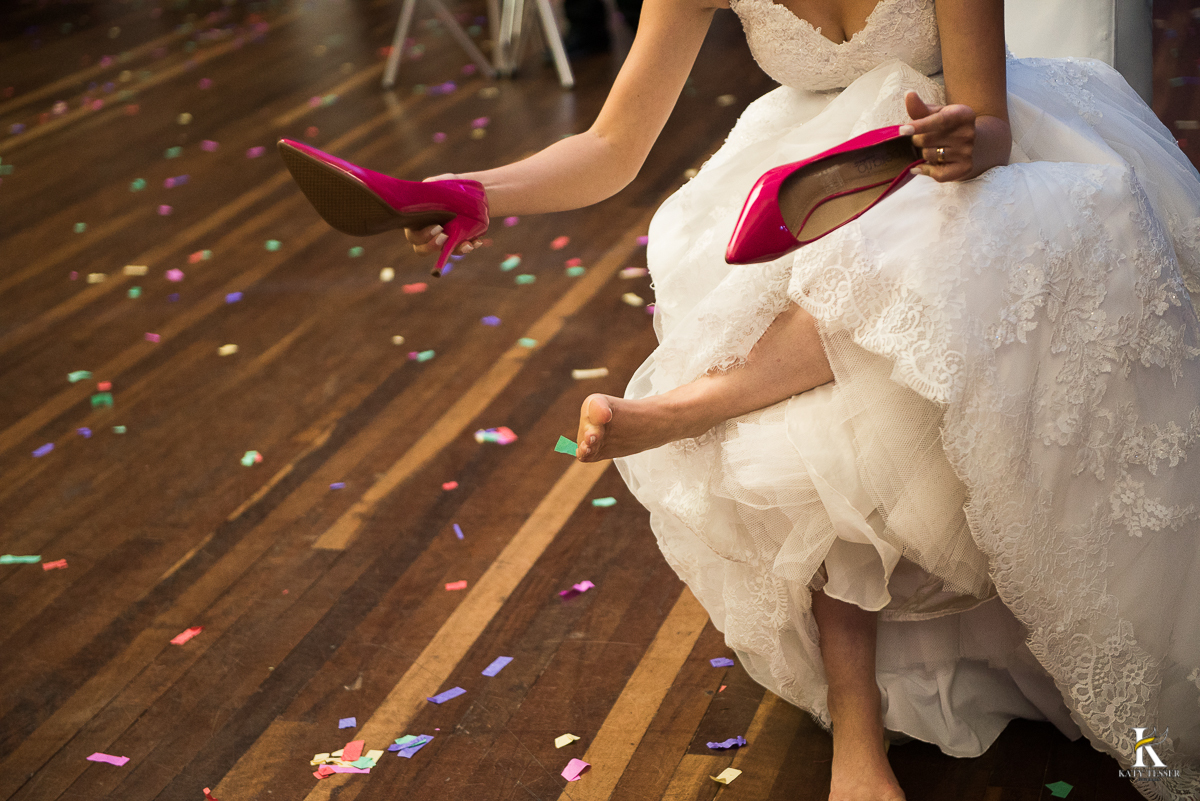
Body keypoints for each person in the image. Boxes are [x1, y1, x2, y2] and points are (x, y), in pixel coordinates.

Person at [283, 0, 1200, 798]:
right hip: (804, 175)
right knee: (820, 415)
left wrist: (959, 144)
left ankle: (701, 401)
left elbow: (990, 127)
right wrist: (471, 192)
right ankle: (855, 732)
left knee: (883, 273)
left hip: (961, 178)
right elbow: (612, 146)